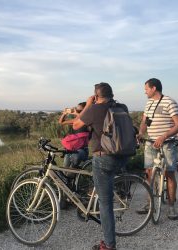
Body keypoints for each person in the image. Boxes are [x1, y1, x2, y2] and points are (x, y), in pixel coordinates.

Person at [73, 83, 128, 250]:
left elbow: (75, 125)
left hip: (103, 157)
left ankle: (109, 245)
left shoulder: (94, 108)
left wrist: (89, 104)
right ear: (112, 94)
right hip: (122, 156)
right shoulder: (122, 106)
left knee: (105, 204)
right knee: (106, 187)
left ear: (96, 96)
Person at [137, 78, 178, 220]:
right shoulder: (149, 103)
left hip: (167, 144)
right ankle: (150, 203)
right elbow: (145, 122)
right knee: (149, 173)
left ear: (154, 88)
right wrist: (140, 133)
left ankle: (171, 207)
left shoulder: (169, 102)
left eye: (146, 89)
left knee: (169, 174)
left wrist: (164, 136)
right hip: (151, 143)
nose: (145, 91)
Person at [58, 102, 89, 170]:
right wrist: (64, 113)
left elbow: (83, 117)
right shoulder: (76, 120)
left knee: (72, 171)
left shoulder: (88, 120)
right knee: (65, 169)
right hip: (72, 148)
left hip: (81, 150)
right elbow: (61, 122)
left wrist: (75, 113)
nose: (77, 111)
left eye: (79, 110)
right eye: (77, 110)